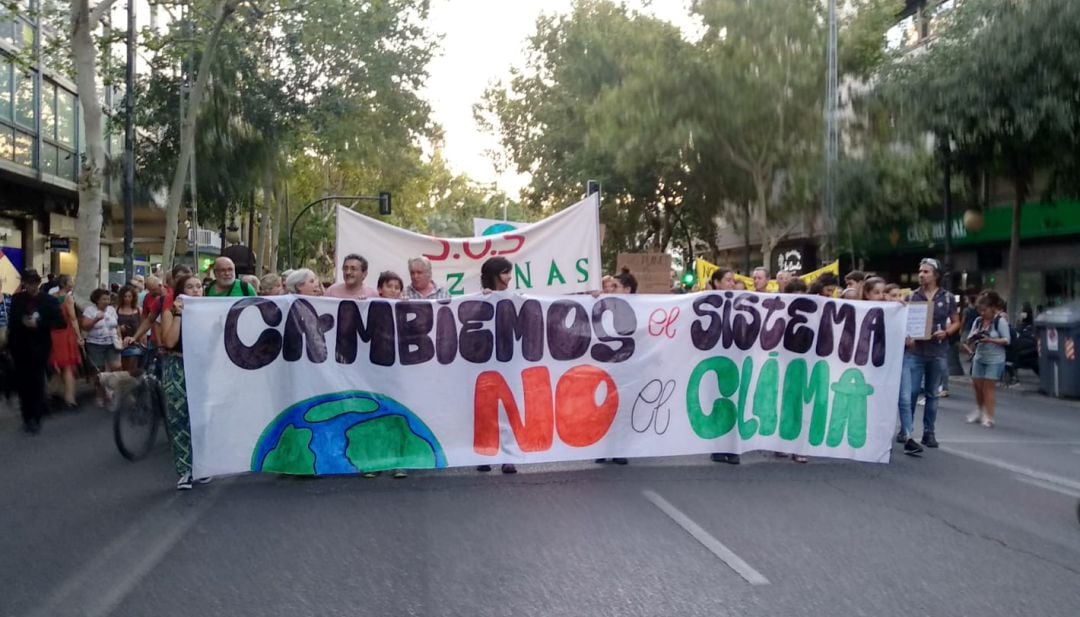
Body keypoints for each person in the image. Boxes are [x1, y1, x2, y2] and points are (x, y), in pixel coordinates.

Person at [160, 274, 212, 490]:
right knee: (179, 418)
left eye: (199, 286)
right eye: (190, 287)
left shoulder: (209, 313)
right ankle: (185, 470)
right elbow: (169, 341)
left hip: (203, 368)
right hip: (178, 368)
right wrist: (179, 315)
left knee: (203, 419)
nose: (196, 290)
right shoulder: (169, 313)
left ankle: (202, 465)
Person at [902, 258, 960, 449]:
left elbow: (956, 321)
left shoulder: (948, 297)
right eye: (920, 271)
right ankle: (907, 430)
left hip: (937, 351)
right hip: (915, 351)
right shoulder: (911, 297)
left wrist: (947, 332)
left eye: (926, 272)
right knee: (910, 393)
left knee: (932, 394)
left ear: (935, 275)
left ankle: (929, 432)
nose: (921, 274)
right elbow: (903, 321)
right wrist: (907, 337)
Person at [7, 270, 62, 433]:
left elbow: (60, 322)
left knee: (37, 381)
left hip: (39, 346)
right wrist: (21, 323)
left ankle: (36, 417)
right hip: (19, 346)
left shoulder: (49, 301)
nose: (30, 286)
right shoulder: (17, 299)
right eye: (27, 283)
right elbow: (12, 321)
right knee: (23, 383)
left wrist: (39, 324)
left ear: (38, 283)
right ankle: (27, 416)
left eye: (33, 283)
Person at [596, 270, 637, 466]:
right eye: (610, 286)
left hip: (629, 366)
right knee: (604, 406)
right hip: (608, 365)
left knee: (623, 408)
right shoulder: (605, 305)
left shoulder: (643, 307)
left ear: (628, 290)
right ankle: (603, 448)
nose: (611, 290)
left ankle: (620, 449)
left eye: (616, 287)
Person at [967, 291, 1009, 428]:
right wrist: (973, 338)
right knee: (977, 386)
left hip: (995, 359)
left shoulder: (1000, 321)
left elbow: (1007, 340)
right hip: (980, 356)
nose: (982, 313)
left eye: (984, 310)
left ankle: (989, 416)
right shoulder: (978, 321)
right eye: (980, 310)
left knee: (988, 388)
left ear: (992, 308)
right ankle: (979, 410)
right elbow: (969, 337)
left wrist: (990, 339)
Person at [80, 289, 121, 407]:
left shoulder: (112, 310)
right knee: (99, 371)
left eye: (108, 299)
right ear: (97, 300)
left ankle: (111, 390)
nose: (106, 301)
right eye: (104, 299)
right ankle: (100, 394)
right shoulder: (90, 310)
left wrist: (119, 338)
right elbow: (85, 326)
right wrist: (96, 319)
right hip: (95, 343)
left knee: (116, 366)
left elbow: (116, 326)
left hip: (111, 342)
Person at [48, 275, 81, 409]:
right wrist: (79, 336)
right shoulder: (68, 298)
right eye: (71, 281)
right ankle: (70, 398)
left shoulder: (51, 297)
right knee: (68, 367)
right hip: (65, 333)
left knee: (56, 365)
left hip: (52, 333)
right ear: (65, 284)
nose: (73, 283)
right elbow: (73, 319)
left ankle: (53, 392)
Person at [115, 285, 143, 373]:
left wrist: (141, 340)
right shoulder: (117, 310)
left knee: (133, 364)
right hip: (120, 342)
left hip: (135, 341)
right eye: (125, 296)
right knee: (122, 366)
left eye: (129, 296)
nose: (127, 299)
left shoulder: (138, 310)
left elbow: (142, 325)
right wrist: (119, 328)